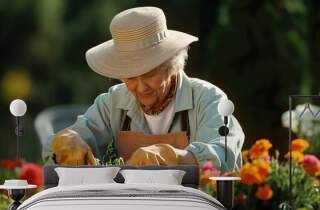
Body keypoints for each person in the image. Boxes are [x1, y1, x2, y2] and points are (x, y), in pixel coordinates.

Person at [42, 6, 245, 172]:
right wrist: (66, 141)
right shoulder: (112, 102)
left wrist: (174, 156)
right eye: (130, 77)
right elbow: (65, 142)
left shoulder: (208, 98)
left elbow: (224, 154)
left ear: (172, 64)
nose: (141, 87)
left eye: (149, 74)